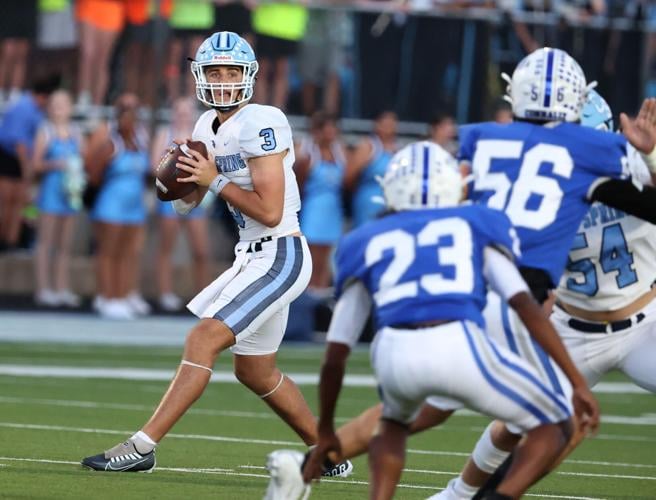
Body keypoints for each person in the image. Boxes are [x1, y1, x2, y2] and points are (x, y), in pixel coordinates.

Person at [269, 47, 656, 500]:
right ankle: (456, 493)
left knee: (480, 413)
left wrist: (649, 160)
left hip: (640, 319)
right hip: (564, 319)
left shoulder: (516, 155)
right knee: (521, 418)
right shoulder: (584, 163)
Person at [80, 31, 352, 479]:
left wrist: (214, 179)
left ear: (249, 75)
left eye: (231, 71)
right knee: (255, 372)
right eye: (214, 71)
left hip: (280, 252)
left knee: (202, 339)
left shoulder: (263, 120)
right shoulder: (206, 125)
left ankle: (143, 446)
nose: (223, 80)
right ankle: (329, 452)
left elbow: (269, 210)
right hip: (252, 255)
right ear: (199, 75)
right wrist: (177, 181)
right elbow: (191, 202)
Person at [265, 141, 600, 500]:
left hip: (393, 351)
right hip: (456, 342)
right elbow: (524, 305)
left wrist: (327, 429)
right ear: (454, 184)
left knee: (393, 424)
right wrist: (577, 382)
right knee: (557, 422)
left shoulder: (365, 239)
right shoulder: (475, 223)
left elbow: (336, 352)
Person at [552, 89, 656, 392]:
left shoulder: (634, 164)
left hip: (646, 322)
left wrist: (651, 157)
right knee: (519, 414)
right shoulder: (544, 185)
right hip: (573, 331)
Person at [86, 93, 151, 320]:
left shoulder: (141, 141)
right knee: (109, 252)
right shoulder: (111, 144)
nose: (130, 120)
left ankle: (122, 295)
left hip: (135, 207)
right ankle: (107, 296)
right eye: (126, 115)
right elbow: (94, 174)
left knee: (127, 253)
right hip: (111, 206)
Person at [151, 97, 211, 311]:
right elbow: (154, 166)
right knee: (166, 247)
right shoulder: (165, 134)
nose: (183, 115)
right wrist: (171, 159)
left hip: (194, 196)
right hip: (171, 197)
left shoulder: (200, 137)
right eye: (180, 111)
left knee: (201, 251)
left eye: (187, 112)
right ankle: (165, 293)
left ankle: (202, 296)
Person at [33, 89, 85, 307]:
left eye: (63, 105)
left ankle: (62, 287)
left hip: (70, 192)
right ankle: (44, 287)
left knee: (65, 244)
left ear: (70, 108)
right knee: (46, 242)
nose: (59, 110)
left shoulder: (76, 132)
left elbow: (83, 159)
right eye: (55, 105)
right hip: (51, 191)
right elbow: (36, 164)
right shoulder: (45, 131)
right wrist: (55, 164)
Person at [0, 75, 58, 252]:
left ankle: (13, 240)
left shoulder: (36, 111)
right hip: (11, 159)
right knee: (7, 201)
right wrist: (27, 170)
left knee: (23, 203)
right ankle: (5, 239)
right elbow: (19, 144)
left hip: (24, 160)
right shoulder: (24, 108)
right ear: (43, 96)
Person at [295, 111, 346, 291]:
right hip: (313, 208)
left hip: (333, 209)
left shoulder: (340, 152)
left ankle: (322, 293)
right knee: (311, 256)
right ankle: (309, 295)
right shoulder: (308, 154)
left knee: (327, 257)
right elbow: (299, 184)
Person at [345, 110, 398, 228]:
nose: (390, 128)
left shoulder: (396, 150)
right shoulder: (367, 147)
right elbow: (349, 177)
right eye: (386, 124)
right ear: (377, 125)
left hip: (388, 205)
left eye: (392, 124)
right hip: (368, 203)